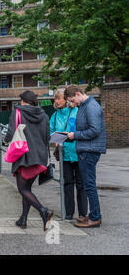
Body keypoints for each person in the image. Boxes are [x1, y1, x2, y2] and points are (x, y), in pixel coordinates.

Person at [3, 90, 53, 231]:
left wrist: (6, 140)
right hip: (40, 157)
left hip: (24, 156)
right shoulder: (43, 115)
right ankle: (23, 219)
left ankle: (44, 211)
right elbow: (47, 137)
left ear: (24, 101)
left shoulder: (18, 112)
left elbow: (11, 133)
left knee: (23, 189)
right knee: (27, 189)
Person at [64, 85, 106, 228]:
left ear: (77, 93)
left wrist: (75, 135)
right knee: (88, 185)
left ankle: (95, 217)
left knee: (89, 185)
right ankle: (93, 214)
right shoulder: (85, 106)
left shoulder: (91, 107)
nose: (73, 104)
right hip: (86, 149)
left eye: (73, 101)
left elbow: (95, 130)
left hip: (89, 150)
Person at [49, 89, 88, 221]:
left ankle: (83, 213)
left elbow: (82, 130)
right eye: (55, 99)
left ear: (66, 99)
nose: (57, 101)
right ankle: (69, 212)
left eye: (59, 98)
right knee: (67, 184)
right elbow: (51, 132)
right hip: (64, 153)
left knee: (81, 184)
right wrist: (54, 140)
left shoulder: (76, 111)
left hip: (78, 152)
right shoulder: (54, 116)